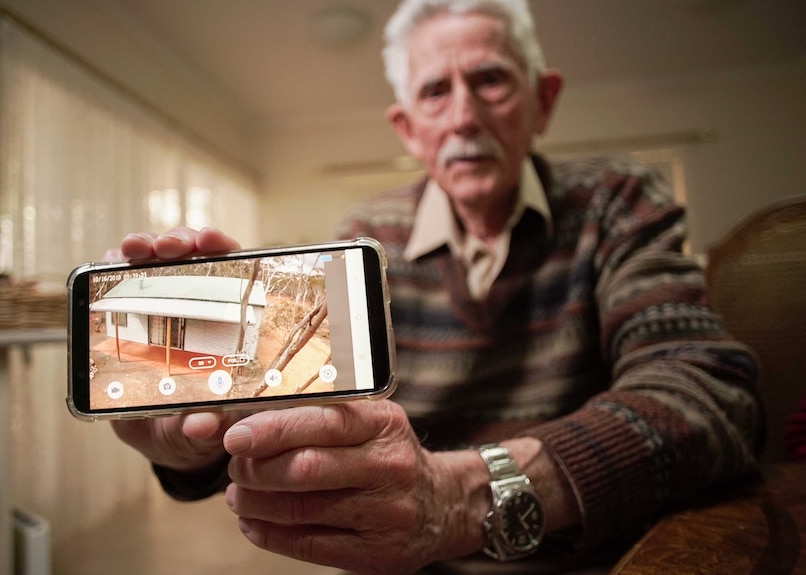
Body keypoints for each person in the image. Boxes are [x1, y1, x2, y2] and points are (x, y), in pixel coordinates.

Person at [108, 1, 763, 573]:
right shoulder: (367, 235)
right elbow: (304, 417)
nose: (464, 116)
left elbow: (709, 393)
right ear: (408, 128)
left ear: (544, 100)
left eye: (491, 80)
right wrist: (199, 438)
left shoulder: (617, 201)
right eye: (434, 93)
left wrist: (461, 497)